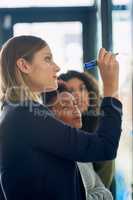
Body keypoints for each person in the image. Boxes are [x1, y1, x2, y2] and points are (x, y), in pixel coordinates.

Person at [0, 35, 122, 200]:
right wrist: (111, 87)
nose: (57, 67)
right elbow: (105, 148)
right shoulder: (25, 116)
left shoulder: (15, 112)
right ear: (24, 65)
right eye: (47, 59)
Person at [44, 81, 113, 200]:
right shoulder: (53, 156)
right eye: (66, 106)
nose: (75, 109)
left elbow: (106, 191)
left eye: (75, 104)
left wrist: (94, 195)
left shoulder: (81, 147)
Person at [59, 70, 116, 196]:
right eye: (71, 91)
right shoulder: (63, 136)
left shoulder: (100, 126)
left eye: (82, 88)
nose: (79, 95)